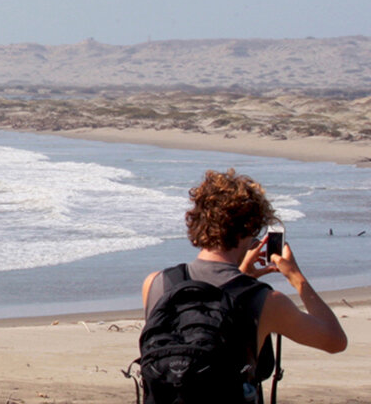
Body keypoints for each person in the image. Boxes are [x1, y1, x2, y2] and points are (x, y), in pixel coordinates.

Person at [140, 169, 347, 402]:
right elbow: (334, 341)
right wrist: (296, 278)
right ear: (249, 229)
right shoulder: (266, 301)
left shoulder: (157, 283)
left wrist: (241, 279)